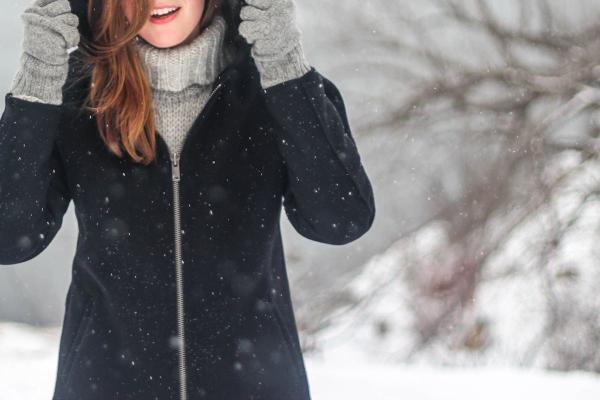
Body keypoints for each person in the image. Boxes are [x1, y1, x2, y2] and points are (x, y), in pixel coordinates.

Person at [0, 0, 376, 398]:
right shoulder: (79, 100)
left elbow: (341, 220)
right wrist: (38, 78)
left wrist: (282, 62)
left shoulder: (276, 90)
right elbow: (9, 238)